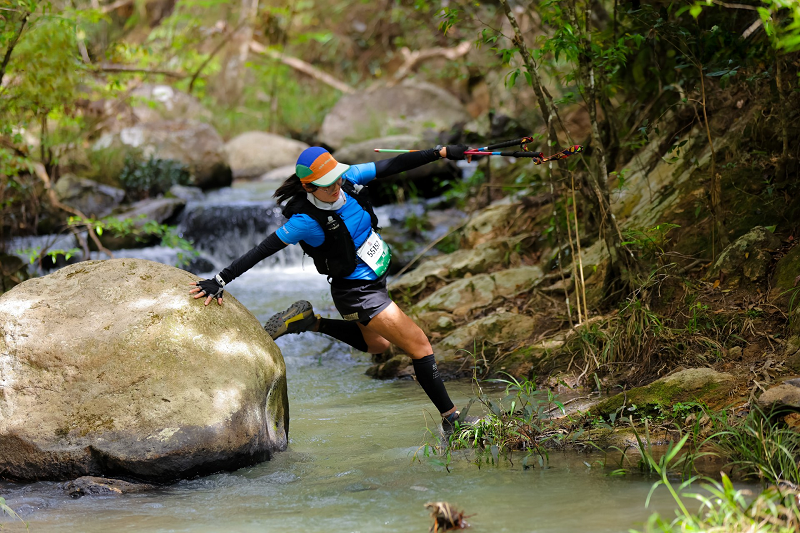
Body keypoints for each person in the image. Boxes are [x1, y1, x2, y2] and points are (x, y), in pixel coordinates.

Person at [189, 144, 476, 429]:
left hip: (375, 277)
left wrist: (440, 153)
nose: (336, 187)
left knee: (378, 344)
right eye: (327, 185)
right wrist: (219, 280)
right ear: (308, 187)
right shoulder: (304, 221)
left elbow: (394, 165)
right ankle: (452, 420)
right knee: (421, 346)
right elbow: (260, 251)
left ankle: (310, 322)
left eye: (337, 179)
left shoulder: (346, 179)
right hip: (358, 294)